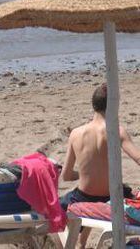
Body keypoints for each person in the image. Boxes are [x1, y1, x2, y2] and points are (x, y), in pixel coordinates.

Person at [60, 83, 140, 247]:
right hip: (112, 197)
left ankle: (80, 242)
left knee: (59, 204)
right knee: (123, 191)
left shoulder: (76, 133)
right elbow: (138, 159)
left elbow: (66, 176)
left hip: (84, 196)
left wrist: (85, 173)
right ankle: (82, 241)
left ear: (94, 105)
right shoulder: (116, 130)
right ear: (113, 105)